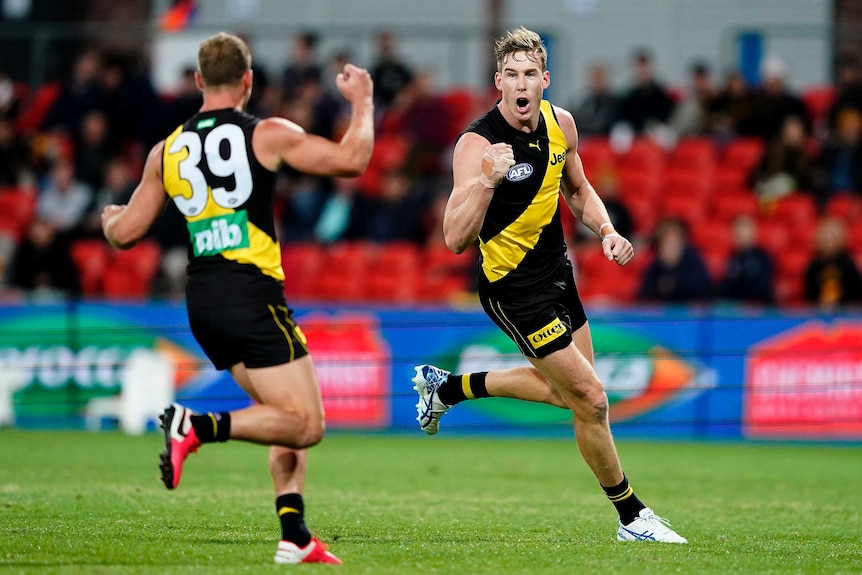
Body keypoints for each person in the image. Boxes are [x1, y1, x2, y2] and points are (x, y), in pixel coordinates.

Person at [101, 32, 374, 564]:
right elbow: (351, 160)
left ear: (199, 81)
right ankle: (196, 426)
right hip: (251, 293)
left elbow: (126, 232)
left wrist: (108, 220)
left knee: (280, 411)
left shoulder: (166, 150)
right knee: (307, 424)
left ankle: (294, 534)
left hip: (202, 301)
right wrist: (362, 101)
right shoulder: (265, 134)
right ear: (248, 80)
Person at [412, 27, 686, 544]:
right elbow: (452, 238)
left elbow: (579, 190)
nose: (521, 83)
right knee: (593, 398)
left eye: (530, 74)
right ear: (498, 82)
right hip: (511, 289)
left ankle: (446, 388)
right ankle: (633, 518)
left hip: (557, 273)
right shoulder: (476, 144)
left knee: (571, 399)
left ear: (545, 79)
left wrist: (606, 230)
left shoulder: (562, 124)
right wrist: (488, 181)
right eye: (511, 75)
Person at [637, 217, 713, 303]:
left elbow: (703, 293)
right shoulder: (654, 267)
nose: (670, 246)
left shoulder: (695, 263)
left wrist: (676, 283)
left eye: (673, 242)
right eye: (666, 242)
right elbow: (644, 298)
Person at [803, 216, 862, 309]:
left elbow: (856, 292)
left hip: (846, 312)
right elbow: (809, 294)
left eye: (833, 237)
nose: (829, 241)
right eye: (826, 237)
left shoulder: (848, 264)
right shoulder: (814, 265)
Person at [721, 215, 775, 303]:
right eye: (737, 233)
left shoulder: (763, 258)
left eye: (744, 232)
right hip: (736, 308)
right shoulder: (732, 258)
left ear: (753, 233)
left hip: (759, 308)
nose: (741, 236)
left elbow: (762, 288)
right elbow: (727, 286)